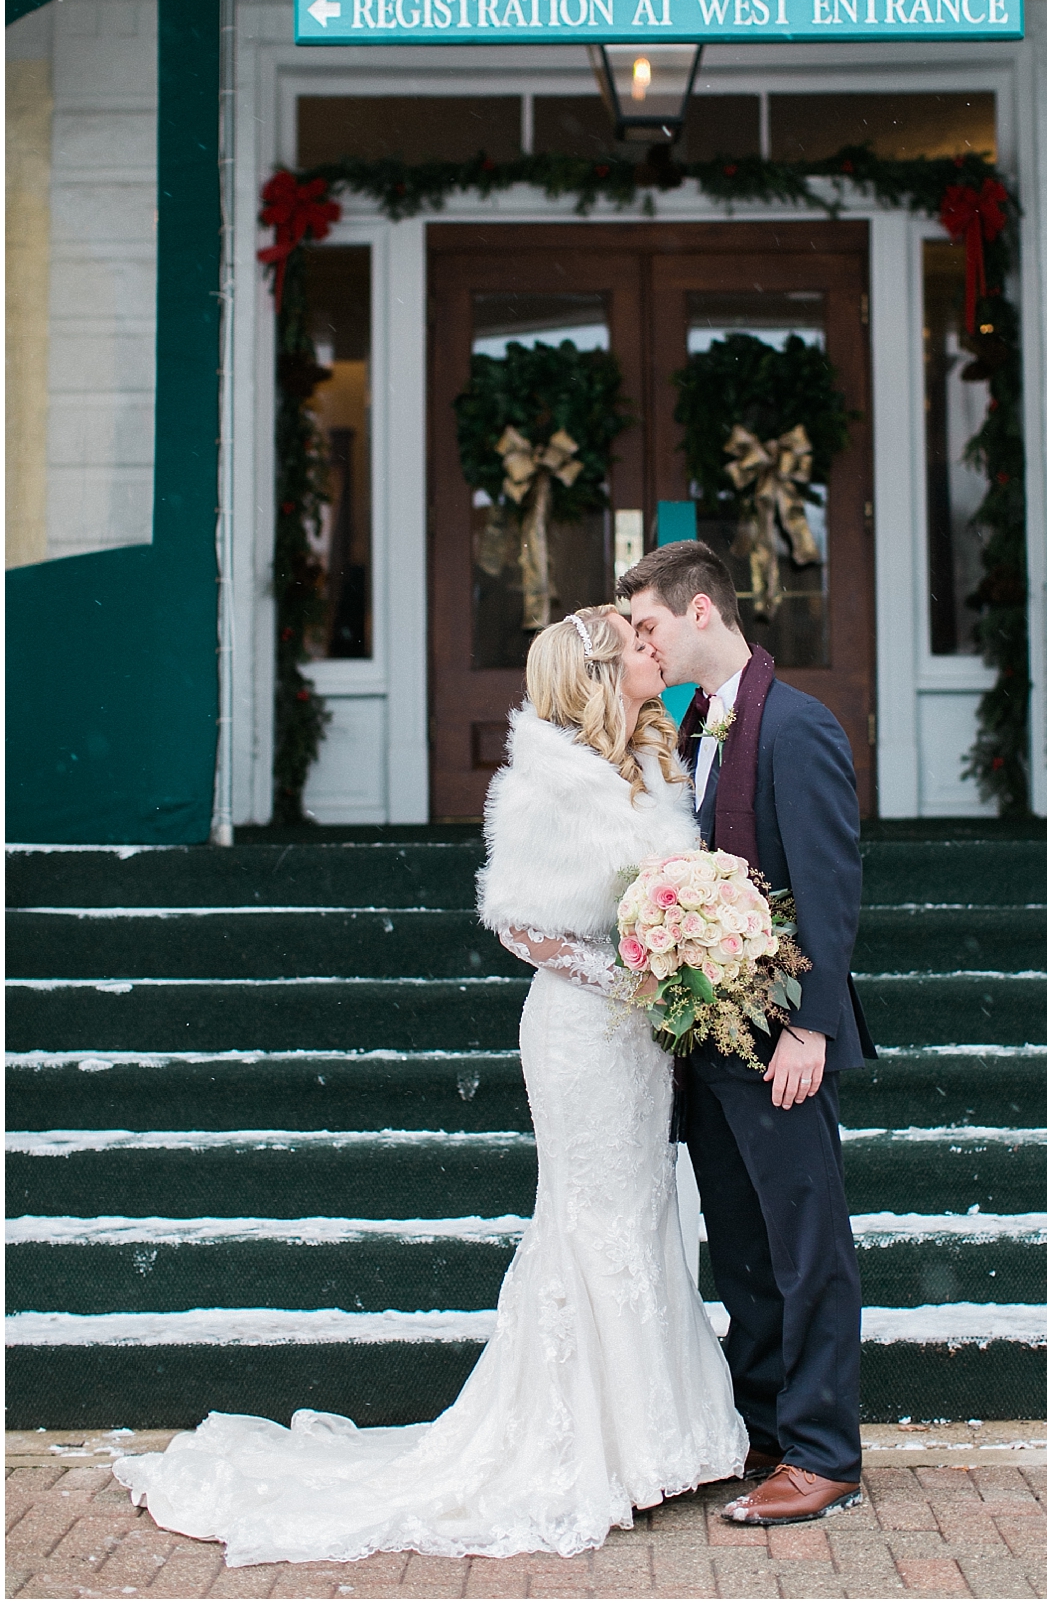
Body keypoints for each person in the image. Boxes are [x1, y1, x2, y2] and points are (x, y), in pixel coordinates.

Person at [113, 606, 747, 1567]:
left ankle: (659, 1436)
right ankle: (595, 1445)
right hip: (582, 1032)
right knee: (589, 1218)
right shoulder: (549, 783)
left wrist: (679, 949)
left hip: (640, 1045)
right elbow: (521, 926)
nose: (653, 649)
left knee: (645, 1207)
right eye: (637, 643)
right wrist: (632, 973)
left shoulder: (653, 760)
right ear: (601, 672)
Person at [618, 539, 875, 1526]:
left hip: (778, 1038)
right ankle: (764, 1428)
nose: (640, 641)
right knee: (743, 1248)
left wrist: (809, 1030)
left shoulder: (795, 726)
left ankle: (823, 1453)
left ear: (697, 613)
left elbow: (827, 888)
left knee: (805, 1244)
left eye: (645, 623)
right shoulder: (691, 726)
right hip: (711, 1044)